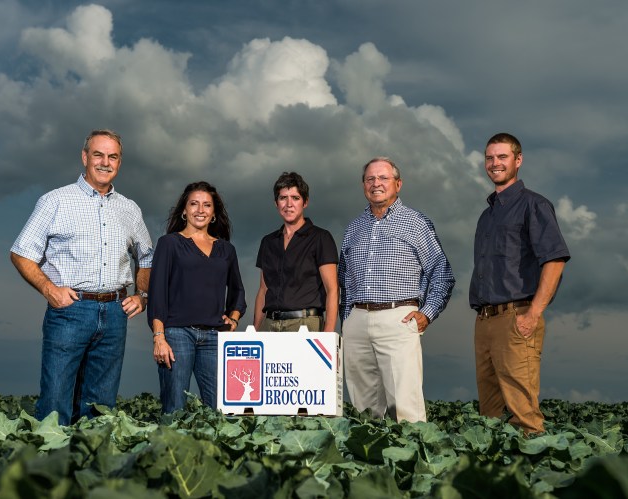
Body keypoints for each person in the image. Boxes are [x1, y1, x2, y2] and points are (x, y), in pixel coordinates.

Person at [10, 129, 153, 425]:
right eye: (98, 154)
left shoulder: (130, 209)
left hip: (115, 313)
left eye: (112, 156)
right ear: (85, 157)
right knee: (55, 403)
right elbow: (21, 253)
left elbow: (147, 257)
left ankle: (90, 466)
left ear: (119, 162)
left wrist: (143, 296)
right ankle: (52, 466)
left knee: (100, 407)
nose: (105, 162)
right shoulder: (55, 201)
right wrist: (49, 289)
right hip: (70, 311)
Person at [338, 157, 455, 423]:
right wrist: (347, 320)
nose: (376, 183)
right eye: (370, 179)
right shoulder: (353, 228)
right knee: (363, 408)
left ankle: (411, 460)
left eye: (383, 178)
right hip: (357, 320)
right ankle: (367, 459)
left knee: (405, 405)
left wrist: (427, 312)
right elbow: (344, 277)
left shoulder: (416, 222)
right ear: (363, 185)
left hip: (398, 316)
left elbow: (441, 271)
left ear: (398, 184)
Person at [470, 133, 570, 435]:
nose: (495, 163)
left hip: (517, 319)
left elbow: (554, 260)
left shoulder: (534, 205)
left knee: (523, 416)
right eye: (490, 158)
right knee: (488, 416)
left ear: (518, 160)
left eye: (502, 157)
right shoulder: (486, 216)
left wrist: (533, 314)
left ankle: (532, 475)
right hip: (485, 321)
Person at [148, 181, 246, 413]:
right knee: (175, 406)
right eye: (194, 204)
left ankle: (211, 450)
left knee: (219, 408)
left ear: (213, 213)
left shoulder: (226, 250)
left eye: (206, 205)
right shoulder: (169, 244)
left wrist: (233, 318)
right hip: (176, 334)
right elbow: (157, 293)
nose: (200, 210)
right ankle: (171, 449)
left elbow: (238, 290)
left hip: (215, 337)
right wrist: (159, 337)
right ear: (184, 210)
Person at [253, 172, 339, 332]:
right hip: (269, 324)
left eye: (295, 198)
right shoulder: (268, 242)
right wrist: (256, 331)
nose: (289, 204)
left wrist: (328, 334)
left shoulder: (321, 238)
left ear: (305, 202)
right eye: (283, 198)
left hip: (305, 324)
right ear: (276, 203)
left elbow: (332, 289)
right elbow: (263, 290)